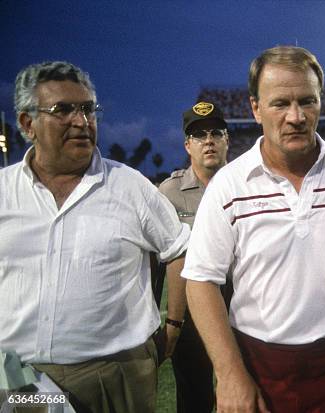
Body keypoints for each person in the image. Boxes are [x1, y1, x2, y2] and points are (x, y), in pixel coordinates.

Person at [182, 46, 325, 413]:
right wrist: (229, 373)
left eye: (307, 101)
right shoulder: (230, 185)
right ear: (255, 108)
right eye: (280, 103)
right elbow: (200, 281)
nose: (296, 117)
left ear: (320, 102)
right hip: (256, 360)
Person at [0, 61, 190, 412]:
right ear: (28, 124)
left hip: (116, 374)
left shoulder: (130, 186)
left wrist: (174, 324)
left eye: (88, 109)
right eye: (63, 110)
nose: (81, 121)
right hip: (19, 376)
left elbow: (180, 249)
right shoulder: (3, 191)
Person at [158, 101, 230, 413]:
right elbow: (158, 260)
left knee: (247, 393)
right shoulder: (169, 192)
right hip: (189, 310)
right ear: (188, 145)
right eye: (199, 135)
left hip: (243, 308)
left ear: (228, 140)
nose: (209, 140)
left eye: (216, 132)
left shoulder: (248, 185)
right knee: (194, 399)